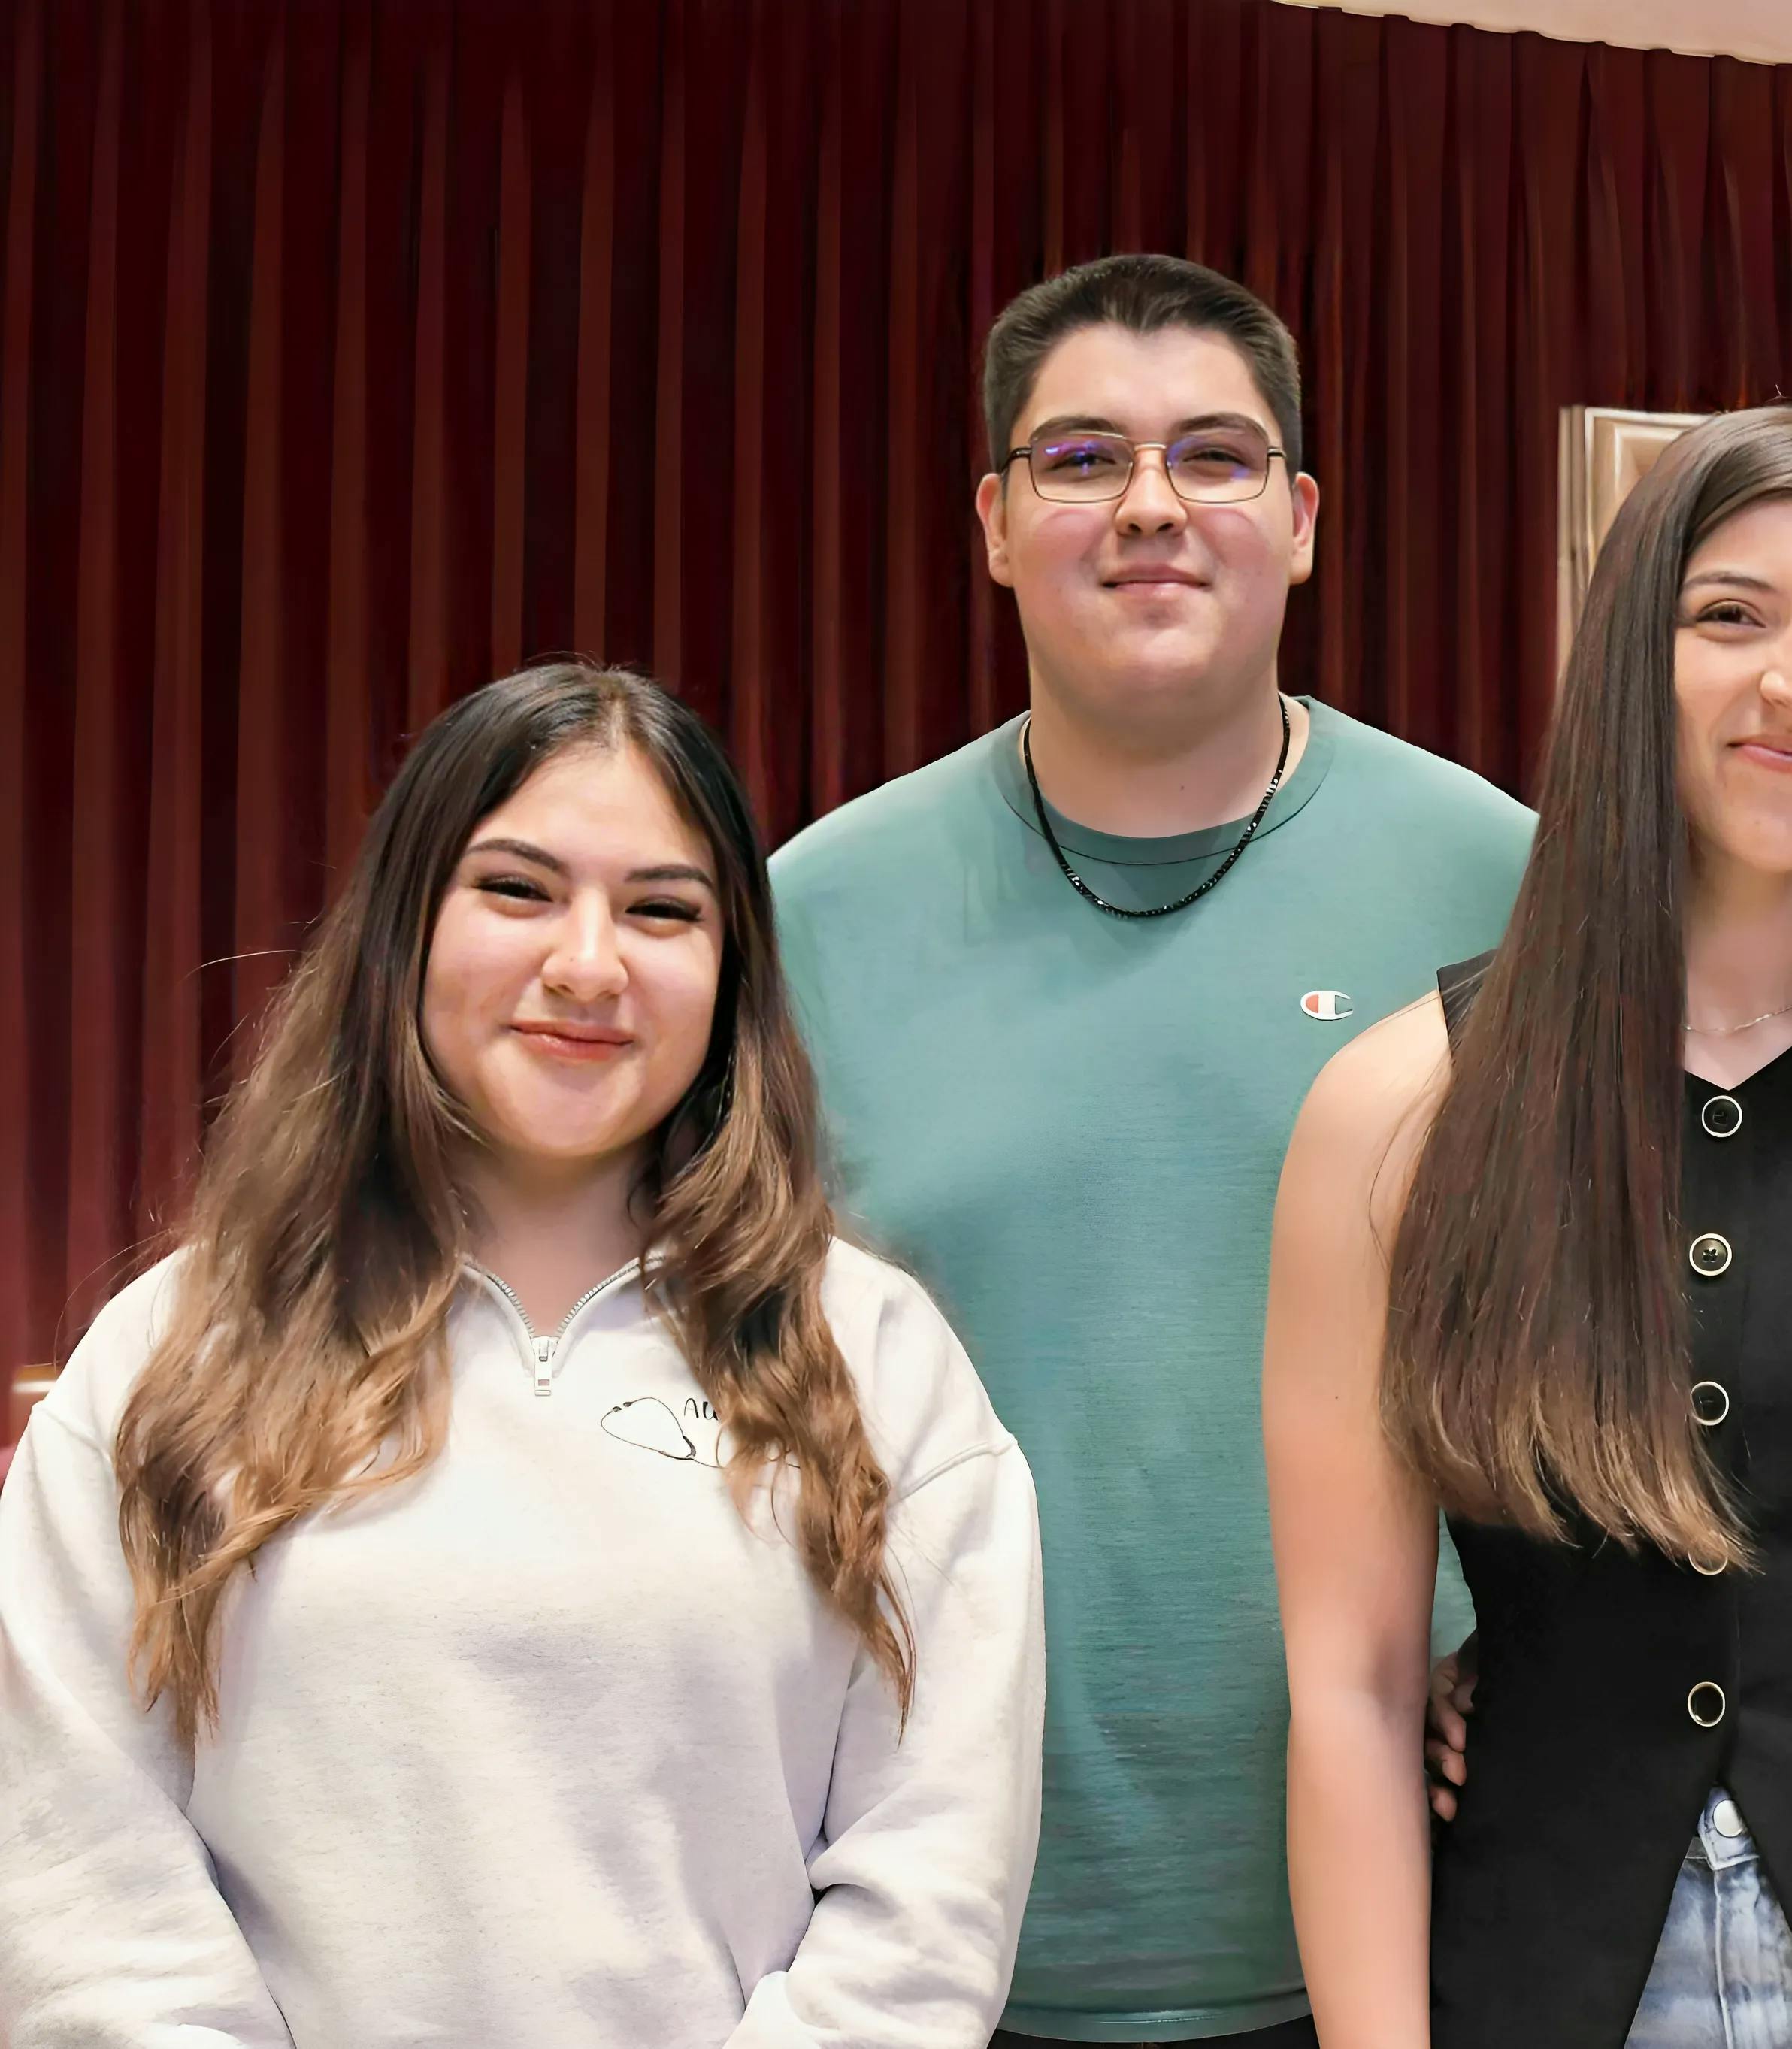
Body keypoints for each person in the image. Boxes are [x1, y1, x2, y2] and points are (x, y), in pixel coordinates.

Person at [0, 665, 1043, 2046]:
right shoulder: (173, 1353)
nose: (590, 964)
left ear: (731, 972)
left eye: (662, 909)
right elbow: (78, 1873)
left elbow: (928, 1898)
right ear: (403, 930)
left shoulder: (878, 1360)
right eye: (518, 889)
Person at [1270, 404, 1792, 2049]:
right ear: (1628, 653)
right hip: (1551, 1958)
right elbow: (1353, 1687)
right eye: (1732, 614)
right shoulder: (1395, 1111)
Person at [770, 254, 1530, 2047]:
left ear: (1303, 520)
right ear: (992, 523)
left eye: (1214, 456)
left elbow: (1628, 1348)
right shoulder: (815, 911)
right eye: (1081, 459)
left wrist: (1546, 1632)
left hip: (1409, 1927)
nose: (1150, 507)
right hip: (929, 1936)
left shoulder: (1502, 881)